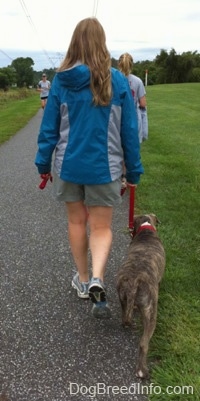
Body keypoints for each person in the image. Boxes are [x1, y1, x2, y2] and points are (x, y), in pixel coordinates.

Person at [35, 17, 144, 319]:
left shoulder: (60, 81)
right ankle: (98, 276)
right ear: (102, 43)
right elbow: (129, 134)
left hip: (69, 167)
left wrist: (43, 164)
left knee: (75, 222)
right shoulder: (119, 81)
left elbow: (49, 130)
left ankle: (83, 281)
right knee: (101, 226)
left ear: (75, 43)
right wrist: (133, 171)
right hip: (105, 168)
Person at [118, 53, 148, 143]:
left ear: (119, 64)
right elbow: (143, 103)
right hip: (133, 119)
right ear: (132, 65)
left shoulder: (114, 79)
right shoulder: (137, 81)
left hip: (118, 119)